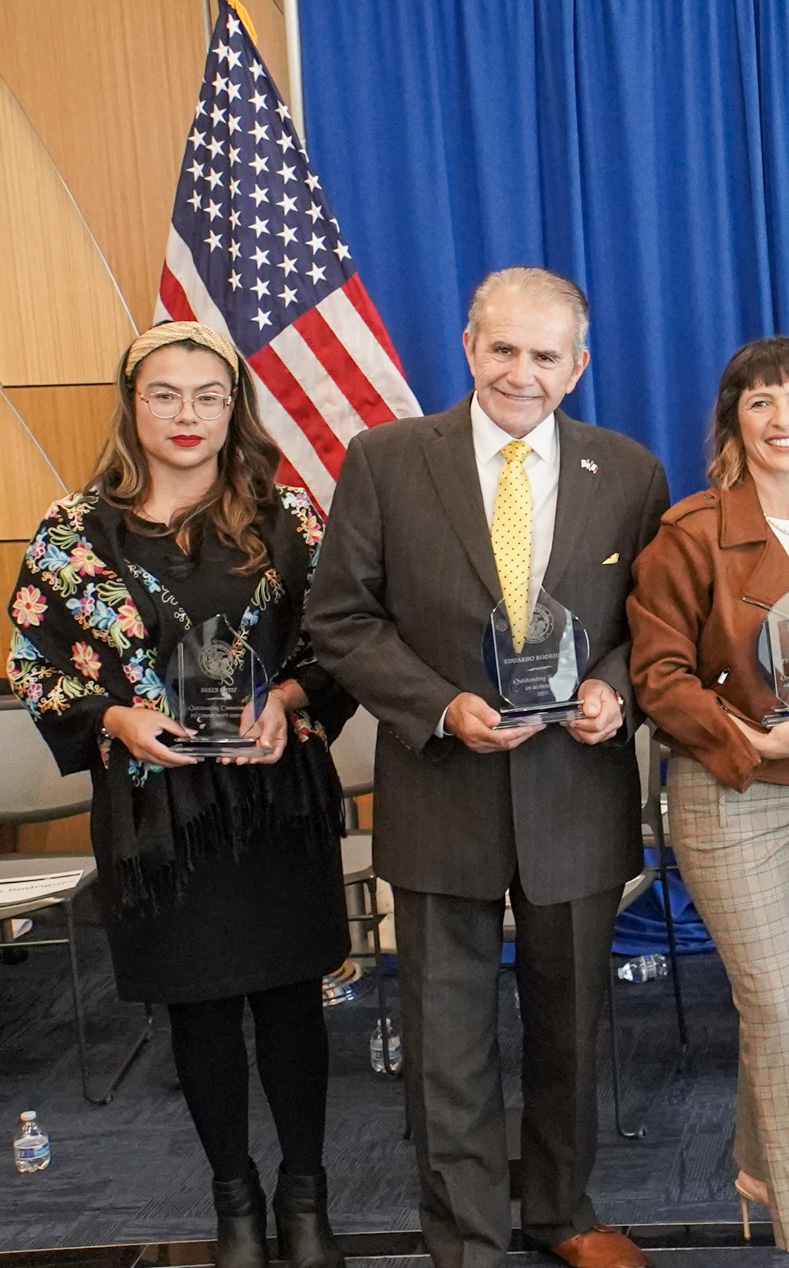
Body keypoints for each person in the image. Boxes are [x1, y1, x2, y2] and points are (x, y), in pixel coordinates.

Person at [307, 268, 670, 1268]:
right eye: (502, 348)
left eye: (544, 355)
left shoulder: (628, 471)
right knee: (446, 1038)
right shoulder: (386, 460)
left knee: (570, 1026)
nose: (521, 372)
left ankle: (561, 1210)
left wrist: (615, 688)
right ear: (469, 347)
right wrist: (439, 706)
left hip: (575, 793)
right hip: (441, 788)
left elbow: (656, 624)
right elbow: (340, 616)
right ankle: (466, 1237)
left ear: (577, 366)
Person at [8, 322, 355, 1268]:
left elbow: (345, 640)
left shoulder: (291, 519)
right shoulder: (74, 534)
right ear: (132, 406)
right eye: (164, 394)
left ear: (234, 406)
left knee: (290, 1002)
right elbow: (38, 667)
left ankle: (306, 1198)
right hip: (159, 816)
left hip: (276, 799)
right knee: (199, 1009)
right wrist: (117, 719)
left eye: (208, 395)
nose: (187, 414)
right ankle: (234, 1202)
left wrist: (288, 701)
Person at [626, 337, 789, 1266]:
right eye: (762, 401)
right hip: (729, 790)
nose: (784, 419)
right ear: (734, 422)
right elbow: (656, 675)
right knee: (773, 1004)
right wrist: (747, 737)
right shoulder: (691, 533)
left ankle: (757, 1165)